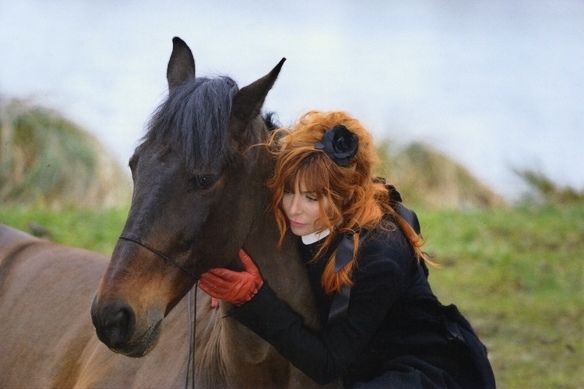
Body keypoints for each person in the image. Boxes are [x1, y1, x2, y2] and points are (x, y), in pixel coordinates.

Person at [199, 111, 496, 388]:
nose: (294, 208)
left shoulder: (380, 257)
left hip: (415, 369)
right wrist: (229, 268)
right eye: (289, 191)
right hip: (355, 363)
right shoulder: (305, 218)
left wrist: (252, 299)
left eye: (311, 197)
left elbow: (327, 364)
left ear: (343, 196)